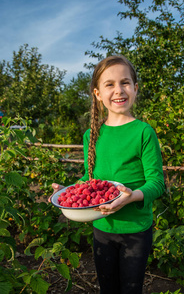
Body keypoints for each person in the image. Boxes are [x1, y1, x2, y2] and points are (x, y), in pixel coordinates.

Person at [51, 55, 165, 294]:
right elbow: (90, 180)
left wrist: (131, 195)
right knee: (107, 288)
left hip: (135, 230)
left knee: (131, 288)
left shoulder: (144, 132)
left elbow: (156, 183)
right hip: (102, 227)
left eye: (125, 82)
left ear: (135, 88)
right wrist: (68, 191)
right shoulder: (91, 135)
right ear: (97, 93)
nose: (118, 90)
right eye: (109, 84)